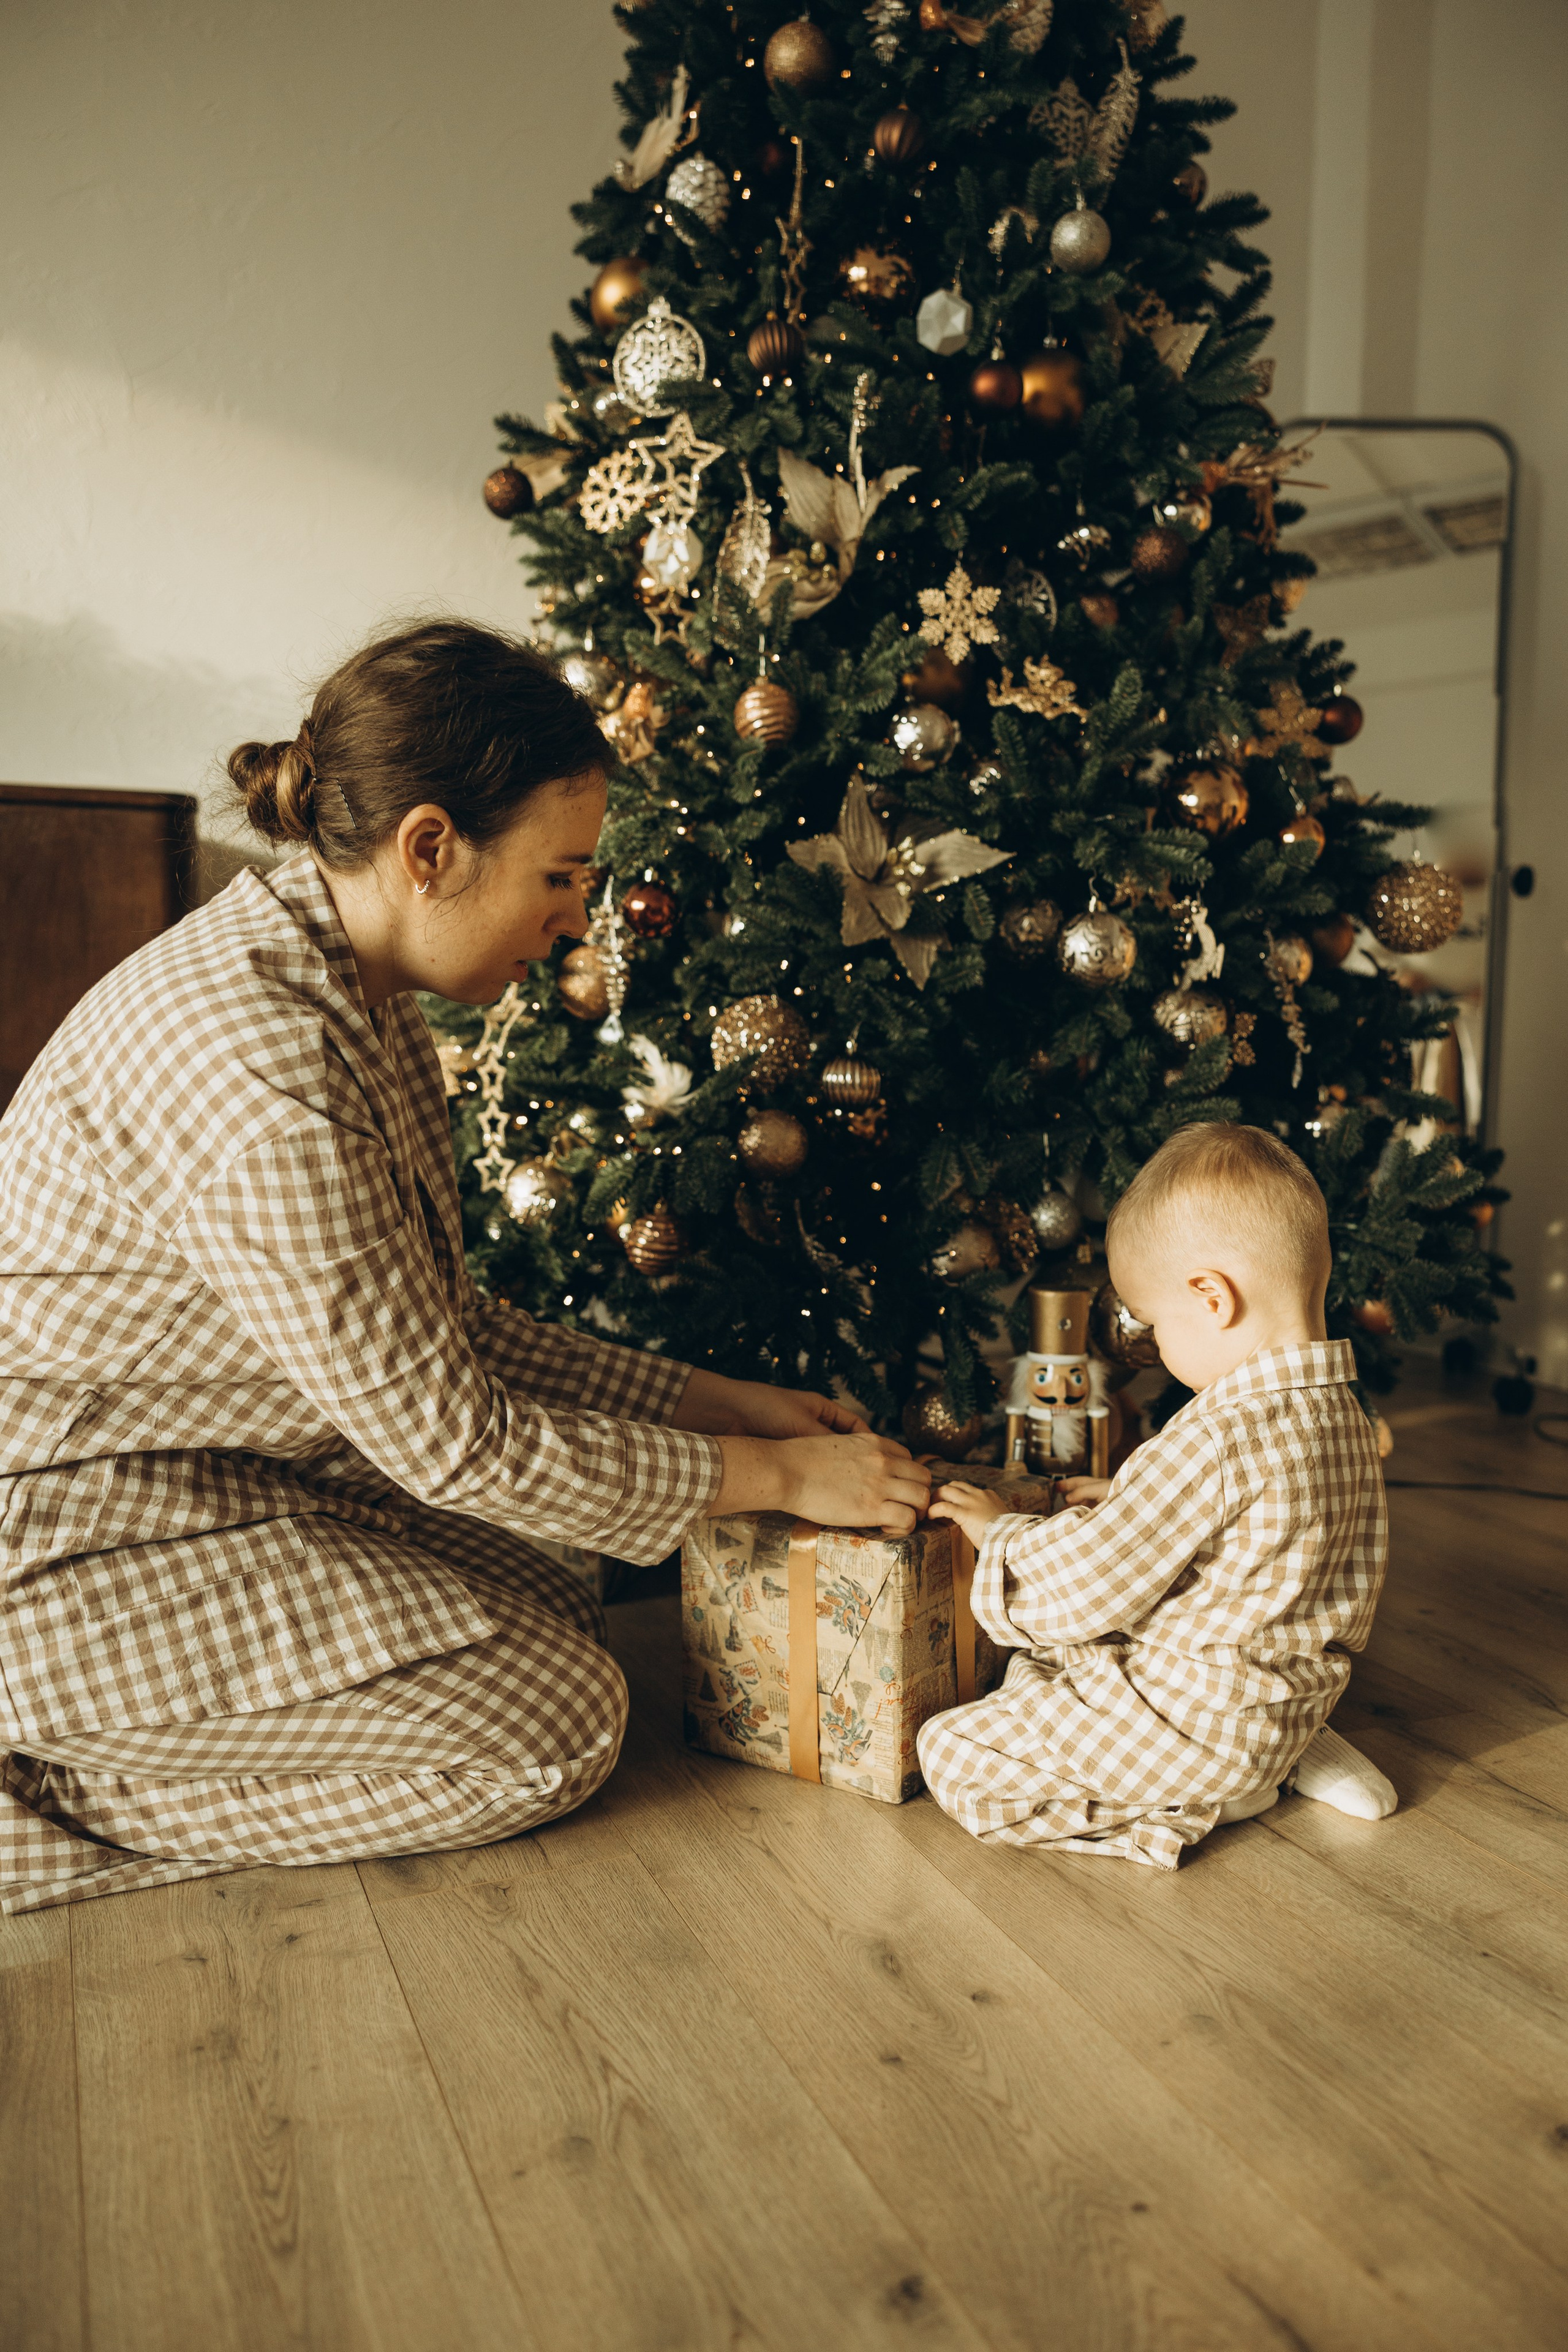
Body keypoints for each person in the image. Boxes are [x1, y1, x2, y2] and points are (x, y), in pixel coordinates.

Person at [0, 620, 930, 1914]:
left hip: (225, 1481)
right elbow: (455, 1444)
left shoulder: (350, 988)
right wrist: (771, 1476)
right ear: (430, 848)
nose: (576, 920)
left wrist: (713, 1404)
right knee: (559, 1723)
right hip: (68, 1539)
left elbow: (434, 1331)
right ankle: (51, 1783)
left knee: (559, 1577)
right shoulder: (261, 1072)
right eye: (561, 876)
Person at [922, 1122, 1398, 1869]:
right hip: (1285, 1702)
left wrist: (1002, 1534)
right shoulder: (1343, 1413)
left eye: (1154, 1323)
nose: (1153, 1346)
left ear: (1211, 1298)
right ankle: (1291, 1753)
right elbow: (1278, 1532)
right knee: (1072, 1667)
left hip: (1199, 1725)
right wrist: (1133, 1492)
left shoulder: (1212, 1437)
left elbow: (1087, 1585)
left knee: (952, 1751)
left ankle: (1180, 1811)